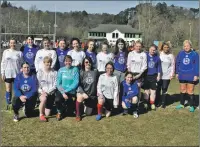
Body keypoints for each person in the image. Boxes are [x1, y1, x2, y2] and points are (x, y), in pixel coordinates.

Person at [175, 40, 199, 112]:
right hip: (182, 74)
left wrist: (196, 75)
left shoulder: (195, 54)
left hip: (191, 75)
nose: (186, 47)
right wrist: (177, 72)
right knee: (182, 90)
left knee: (190, 90)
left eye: (187, 46)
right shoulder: (180, 53)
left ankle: (191, 105)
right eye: (185, 46)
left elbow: (197, 65)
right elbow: (177, 63)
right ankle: (182, 104)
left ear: (190, 46)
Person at [55, 55, 79, 121]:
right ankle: (59, 112)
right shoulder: (61, 70)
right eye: (66, 61)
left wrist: (67, 91)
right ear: (64, 62)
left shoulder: (75, 69)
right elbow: (58, 83)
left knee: (70, 112)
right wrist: (63, 92)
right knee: (57, 100)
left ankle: (66, 108)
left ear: (71, 62)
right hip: (62, 91)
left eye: (69, 61)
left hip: (71, 91)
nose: (68, 63)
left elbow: (76, 82)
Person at [1, 38, 23, 107]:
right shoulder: (6, 52)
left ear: (16, 44)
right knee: (8, 89)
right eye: (11, 43)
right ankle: (8, 103)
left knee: (17, 89)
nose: (12, 44)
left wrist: (21, 72)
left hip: (16, 74)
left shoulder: (19, 53)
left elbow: (22, 63)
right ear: (9, 43)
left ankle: (17, 103)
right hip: (7, 73)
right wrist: (2, 73)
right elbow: (3, 63)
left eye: (14, 43)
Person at [76, 57, 99, 121]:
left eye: (89, 62)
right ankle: (78, 114)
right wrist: (83, 93)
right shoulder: (81, 72)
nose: (88, 63)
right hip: (83, 93)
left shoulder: (95, 71)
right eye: (86, 62)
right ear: (83, 63)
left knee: (88, 113)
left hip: (92, 95)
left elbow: (98, 82)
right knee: (79, 96)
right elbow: (78, 85)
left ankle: (86, 105)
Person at [37, 56, 57, 122]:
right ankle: (41, 115)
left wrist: (48, 92)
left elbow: (55, 85)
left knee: (48, 114)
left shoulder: (54, 72)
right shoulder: (40, 72)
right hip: (42, 93)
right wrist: (42, 92)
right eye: (47, 62)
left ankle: (44, 106)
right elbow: (38, 85)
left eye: (50, 62)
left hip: (51, 93)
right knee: (44, 99)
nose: (48, 64)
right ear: (44, 63)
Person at [127, 41, 147, 107]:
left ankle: (137, 104)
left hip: (139, 74)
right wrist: (130, 74)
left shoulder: (143, 54)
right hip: (131, 74)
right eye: (137, 46)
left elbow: (144, 66)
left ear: (141, 47)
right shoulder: (130, 53)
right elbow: (128, 64)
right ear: (134, 46)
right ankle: (129, 104)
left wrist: (139, 75)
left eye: (139, 46)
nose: (138, 48)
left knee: (138, 89)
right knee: (130, 89)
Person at [156, 42, 175, 108]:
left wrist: (171, 74)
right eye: (165, 47)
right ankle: (157, 102)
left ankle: (163, 103)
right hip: (159, 75)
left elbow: (172, 65)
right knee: (158, 89)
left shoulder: (171, 55)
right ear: (162, 48)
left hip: (167, 76)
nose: (166, 49)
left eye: (167, 47)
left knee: (164, 89)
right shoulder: (159, 54)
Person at [143, 45, 161, 110]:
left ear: (155, 50)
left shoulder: (157, 57)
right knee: (146, 91)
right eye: (151, 49)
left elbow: (159, 67)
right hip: (146, 76)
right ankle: (145, 103)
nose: (152, 51)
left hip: (154, 76)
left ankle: (152, 103)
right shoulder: (145, 55)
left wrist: (158, 75)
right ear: (149, 49)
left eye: (154, 50)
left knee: (153, 91)